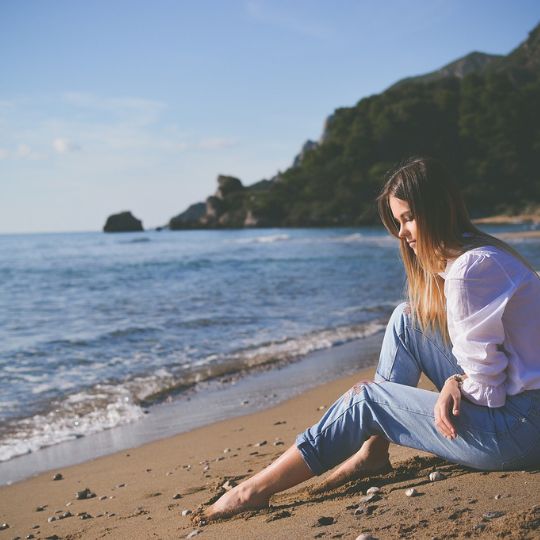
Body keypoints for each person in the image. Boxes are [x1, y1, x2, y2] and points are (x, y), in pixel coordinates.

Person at [196, 156, 540, 524]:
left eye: (408, 218)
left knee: (367, 400)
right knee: (407, 319)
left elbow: (489, 390)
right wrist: (459, 381)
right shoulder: (480, 253)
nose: (402, 234)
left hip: (516, 431)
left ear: (438, 209)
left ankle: (252, 491)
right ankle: (373, 452)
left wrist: (456, 382)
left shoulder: (470, 270)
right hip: (524, 414)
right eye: (397, 222)